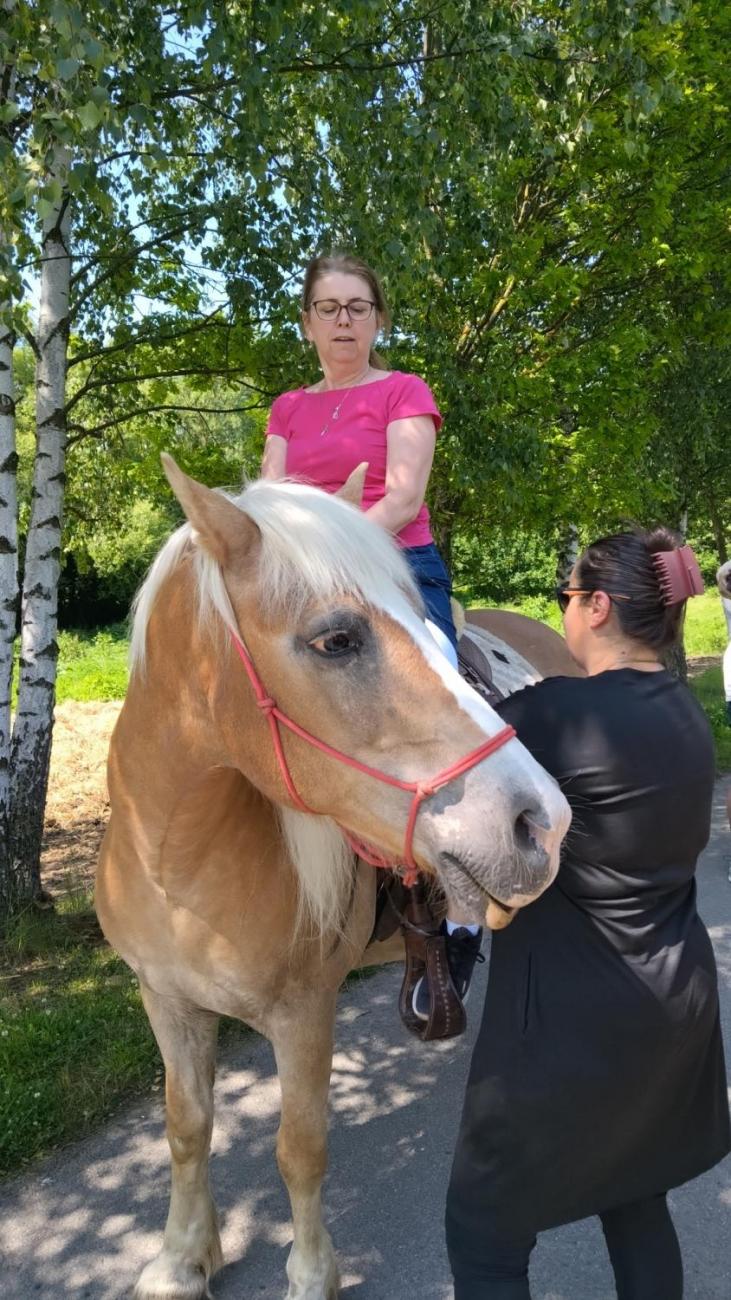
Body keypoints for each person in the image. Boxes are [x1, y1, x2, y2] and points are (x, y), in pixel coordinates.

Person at [446, 529, 731, 1300]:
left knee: (482, 1232)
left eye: (563, 598)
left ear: (597, 607)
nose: (561, 614)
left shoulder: (551, 716)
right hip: (674, 1002)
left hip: (571, 1017)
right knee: (634, 1197)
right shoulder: (684, 710)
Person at [261, 251, 482, 1006]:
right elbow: (268, 501)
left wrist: (332, 561)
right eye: (329, 307)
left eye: (357, 307)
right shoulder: (287, 408)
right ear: (307, 323)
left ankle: (450, 910)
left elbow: (400, 497)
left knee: (439, 693)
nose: (344, 320)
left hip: (393, 569)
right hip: (307, 589)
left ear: (378, 319)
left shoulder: (401, 391)